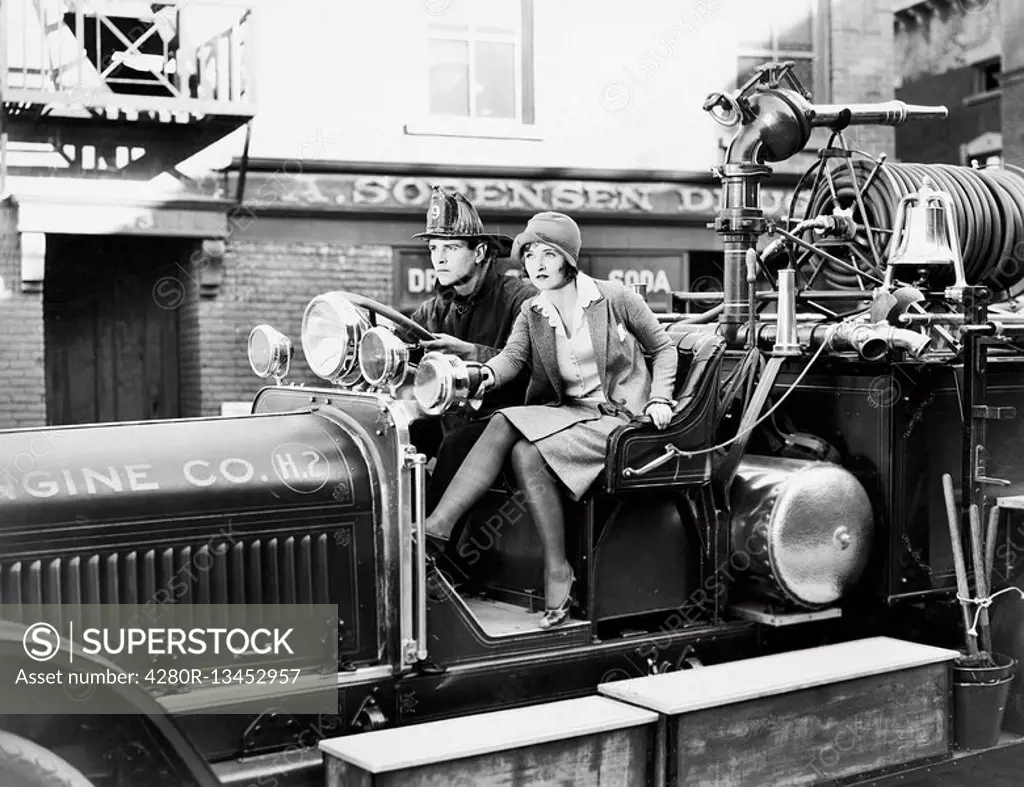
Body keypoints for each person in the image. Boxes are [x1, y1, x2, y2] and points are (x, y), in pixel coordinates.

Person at [423, 211, 677, 629]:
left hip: (620, 419)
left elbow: (664, 348)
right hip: (570, 414)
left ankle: (446, 532)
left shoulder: (614, 297)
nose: (536, 264)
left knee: (518, 439)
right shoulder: (533, 311)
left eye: (548, 254)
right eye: (529, 255)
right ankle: (461, 536)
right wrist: (484, 375)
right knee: (514, 436)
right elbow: (510, 359)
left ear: (569, 259)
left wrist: (659, 398)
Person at [408, 186, 537, 520]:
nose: (439, 258)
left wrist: (471, 353)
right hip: (452, 421)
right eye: (434, 248)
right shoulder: (432, 310)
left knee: (456, 444)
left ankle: (436, 551)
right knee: (409, 434)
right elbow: (405, 357)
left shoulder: (520, 299)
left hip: (511, 423)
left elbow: (537, 371)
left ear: (480, 252)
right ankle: (399, 528)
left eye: (450, 248)